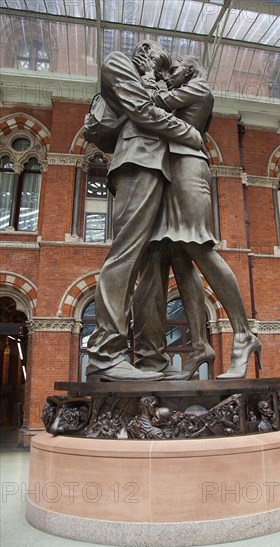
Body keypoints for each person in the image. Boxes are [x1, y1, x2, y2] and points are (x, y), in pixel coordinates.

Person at [133, 55, 261, 380]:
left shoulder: (197, 88)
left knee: (199, 246)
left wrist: (149, 75)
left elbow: (152, 104)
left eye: (173, 70)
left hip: (189, 168)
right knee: (178, 255)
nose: (169, 75)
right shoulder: (186, 92)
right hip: (173, 171)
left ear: (189, 70)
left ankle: (244, 334)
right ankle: (200, 345)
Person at [85, 41, 203, 382]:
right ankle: (105, 354)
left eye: (158, 61)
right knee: (126, 256)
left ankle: (153, 360)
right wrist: (189, 134)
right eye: (150, 55)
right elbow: (141, 110)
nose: (148, 58)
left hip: (163, 172)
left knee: (154, 269)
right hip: (137, 164)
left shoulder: (157, 83)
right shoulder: (117, 62)